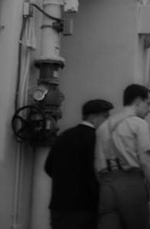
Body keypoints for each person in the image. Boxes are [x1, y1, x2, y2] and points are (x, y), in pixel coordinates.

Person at [95, 84, 150, 229]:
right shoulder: (139, 124)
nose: (149, 110)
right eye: (148, 104)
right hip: (131, 184)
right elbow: (146, 161)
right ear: (138, 101)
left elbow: (96, 166)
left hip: (106, 186)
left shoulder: (103, 127)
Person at [44, 98, 113, 229]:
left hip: (59, 206)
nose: (108, 122)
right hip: (86, 207)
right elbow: (96, 173)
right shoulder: (96, 139)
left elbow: (48, 167)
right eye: (105, 117)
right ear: (93, 117)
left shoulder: (64, 136)